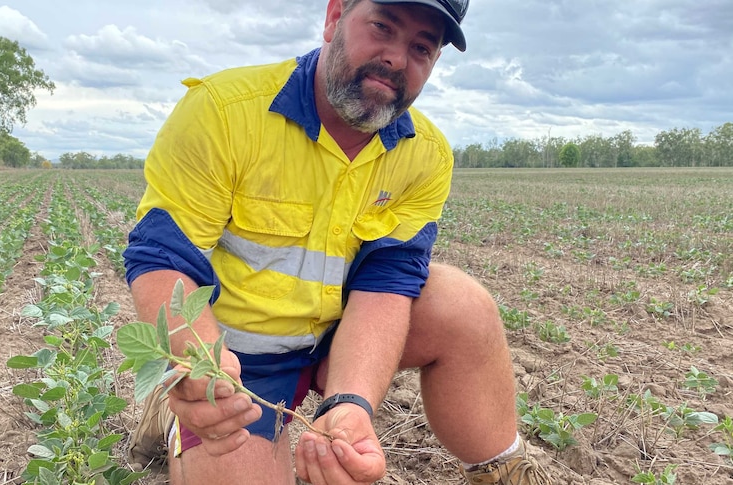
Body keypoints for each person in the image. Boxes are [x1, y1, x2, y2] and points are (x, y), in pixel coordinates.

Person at [122, 0, 552, 484]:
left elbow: (387, 281)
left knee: (461, 306)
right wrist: (200, 365)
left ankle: (506, 472)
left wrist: (351, 400)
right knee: (220, 430)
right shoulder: (224, 113)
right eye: (382, 26)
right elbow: (163, 256)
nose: (395, 58)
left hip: (339, 341)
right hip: (242, 360)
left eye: (421, 48)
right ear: (334, 18)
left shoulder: (425, 156)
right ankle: (177, 407)